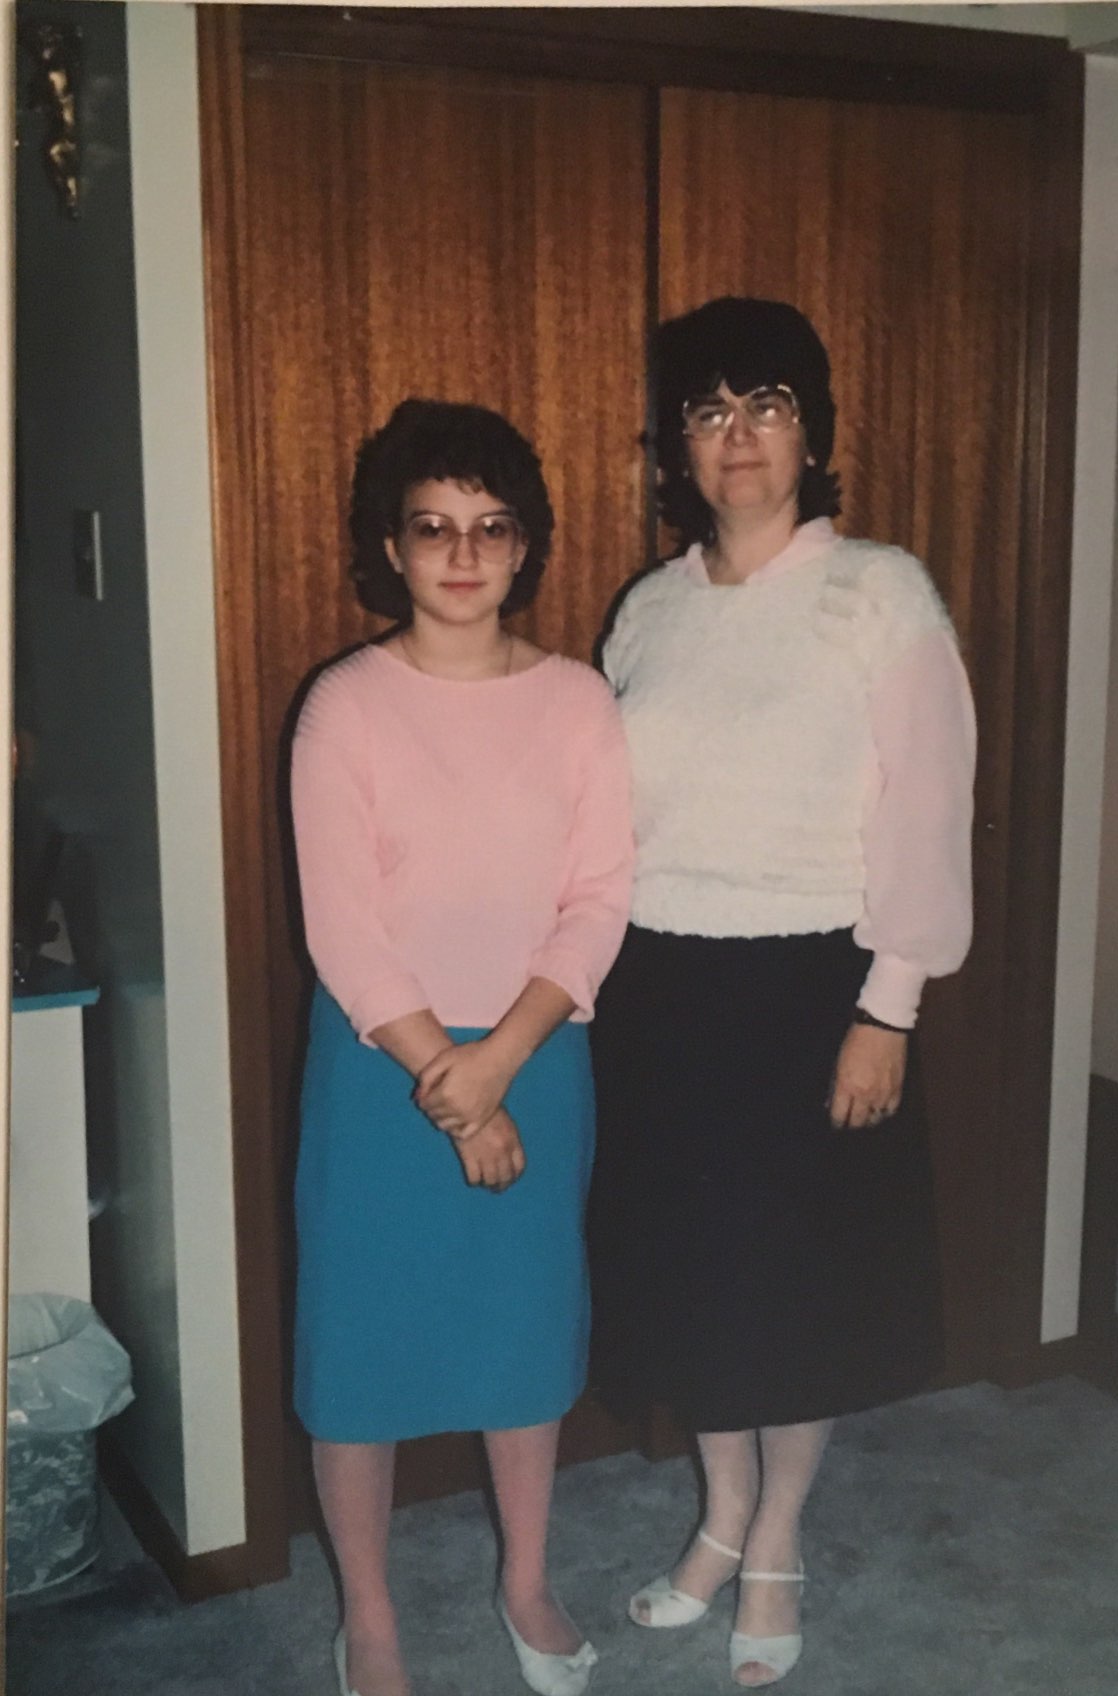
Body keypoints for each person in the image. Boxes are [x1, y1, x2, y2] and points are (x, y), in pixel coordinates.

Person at [587, 297, 975, 1688]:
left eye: (769, 405)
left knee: (796, 1293)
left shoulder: (880, 592)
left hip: (813, 990)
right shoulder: (648, 611)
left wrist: (890, 1007)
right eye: (709, 410)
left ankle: (776, 1542)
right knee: (696, 1284)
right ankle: (720, 1514)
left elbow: (929, 808)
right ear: (677, 448)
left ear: (814, 436)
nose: (738, 435)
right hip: (660, 989)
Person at [291, 398, 633, 1696]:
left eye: (491, 528)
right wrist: (457, 1081)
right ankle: (370, 1615)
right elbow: (346, 932)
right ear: (390, 547)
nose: (462, 554)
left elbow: (597, 899)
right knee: (357, 1348)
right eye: (432, 527)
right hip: (382, 1068)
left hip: (538, 1054)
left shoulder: (579, 703)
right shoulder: (344, 707)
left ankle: (526, 1580)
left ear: (526, 545)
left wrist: (499, 1070)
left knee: (521, 1334)